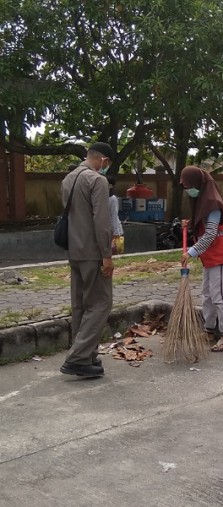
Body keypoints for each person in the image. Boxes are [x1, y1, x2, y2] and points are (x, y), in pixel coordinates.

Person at [59, 142, 114, 378]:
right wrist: (107, 255)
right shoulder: (97, 180)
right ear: (103, 159)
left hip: (74, 250)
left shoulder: (69, 179)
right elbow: (101, 221)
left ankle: (87, 355)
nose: (107, 167)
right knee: (102, 303)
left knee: (80, 304)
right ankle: (78, 358)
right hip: (92, 252)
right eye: (108, 163)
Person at [180, 166, 223, 352]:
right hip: (210, 257)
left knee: (219, 296)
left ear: (198, 184)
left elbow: (209, 235)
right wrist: (190, 223)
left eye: (188, 186)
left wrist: (190, 252)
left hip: (221, 256)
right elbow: (204, 223)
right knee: (207, 295)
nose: (187, 190)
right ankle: (208, 330)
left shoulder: (212, 204)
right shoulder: (202, 202)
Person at [106, 175, 125, 255]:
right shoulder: (100, 197)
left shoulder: (112, 199)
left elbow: (114, 215)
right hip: (105, 229)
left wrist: (116, 232)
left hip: (113, 229)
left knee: (114, 250)